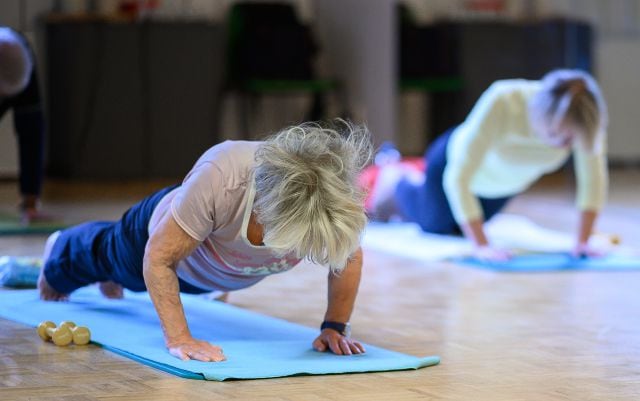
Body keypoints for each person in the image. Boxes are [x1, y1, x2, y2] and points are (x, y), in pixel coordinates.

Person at [37, 120, 372, 362]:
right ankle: (60, 250)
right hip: (155, 243)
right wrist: (180, 339)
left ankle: (117, 279)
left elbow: (349, 257)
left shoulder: (336, 199)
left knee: (136, 285)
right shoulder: (225, 174)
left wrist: (334, 327)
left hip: (217, 271)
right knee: (107, 257)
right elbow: (158, 259)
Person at [364, 69, 608, 261]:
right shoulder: (504, 99)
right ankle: (397, 177)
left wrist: (583, 241)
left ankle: (417, 184)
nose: (566, 146)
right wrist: (481, 246)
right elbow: (458, 176)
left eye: (572, 140)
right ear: (541, 117)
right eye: (560, 136)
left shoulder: (586, 123)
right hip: (451, 164)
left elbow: (592, 180)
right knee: (435, 225)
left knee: (457, 230)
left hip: (499, 186)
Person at [0, 27, 46, 222]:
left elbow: (32, 138)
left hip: (17, 79)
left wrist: (31, 200)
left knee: (31, 127)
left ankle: (30, 200)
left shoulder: (22, 60)